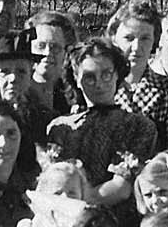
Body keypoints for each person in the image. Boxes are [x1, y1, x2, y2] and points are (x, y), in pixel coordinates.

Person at [47, 38, 157, 206]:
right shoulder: (60, 127)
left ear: (117, 74)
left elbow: (121, 187)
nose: (99, 84)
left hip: (113, 219)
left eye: (106, 75)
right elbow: (54, 183)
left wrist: (81, 206)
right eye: (90, 77)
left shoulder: (138, 126)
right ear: (76, 78)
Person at [107, 0, 168, 163]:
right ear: (114, 38)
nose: (137, 47)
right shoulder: (99, 84)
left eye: (145, 38)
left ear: (155, 40)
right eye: (129, 38)